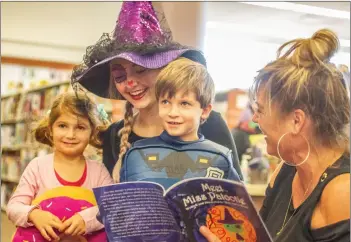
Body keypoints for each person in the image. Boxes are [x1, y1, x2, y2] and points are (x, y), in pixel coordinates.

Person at [201, 29, 350, 242]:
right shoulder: (286, 172)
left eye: (261, 111)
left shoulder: (341, 192)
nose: (255, 120)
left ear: (296, 121)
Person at [71, 1, 243, 182]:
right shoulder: (116, 134)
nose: (130, 83)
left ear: (164, 69)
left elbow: (235, 196)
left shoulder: (206, 122)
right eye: (120, 76)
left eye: (141, 70)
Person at [7, 92, 114, 242]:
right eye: (62, 126)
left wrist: (86, 220)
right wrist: (34, 214)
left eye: (80, 127)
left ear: (92, 132)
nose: (70, 135)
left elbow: (112, 208)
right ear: (51, 129)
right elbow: (13, 207)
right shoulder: (37, 167)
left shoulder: (98, 171)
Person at [119, 57, 241, 186]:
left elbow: (237, 204)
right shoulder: (136, 153)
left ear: (205, 111)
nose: (173, 113)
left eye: (184, 103)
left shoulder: (220, 158)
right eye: (165, 102)